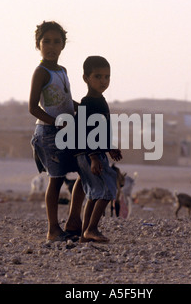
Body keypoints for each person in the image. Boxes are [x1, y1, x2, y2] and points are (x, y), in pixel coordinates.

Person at [29, 21, 84, 242]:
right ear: (38, 45)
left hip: (67, 131)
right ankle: (53, 229)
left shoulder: (62, 71)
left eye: (56, 42)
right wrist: (55, 122)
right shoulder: (40, 72)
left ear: (63, 45)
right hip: (48, 133)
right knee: (57, 179)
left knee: (84, 171)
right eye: (46, 42)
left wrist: (84, 106)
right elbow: (33, 108)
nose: (51, 46)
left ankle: (73, 221)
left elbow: (64, 99)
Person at [74, 56, 123, 243]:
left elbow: (100, 130)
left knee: (95, 193)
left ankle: (85, 233)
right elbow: (83, 131)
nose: (103, 81)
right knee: (109, 187)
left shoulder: (99, 100)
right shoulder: (88, 102)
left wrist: (109, 147)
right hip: (89, 153)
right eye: (98, 76)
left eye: (107, 77)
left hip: (93, 152)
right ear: (86, 78)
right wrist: (94, 156)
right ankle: (92, 228)